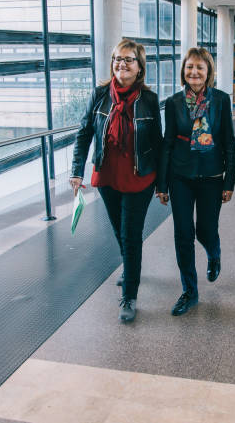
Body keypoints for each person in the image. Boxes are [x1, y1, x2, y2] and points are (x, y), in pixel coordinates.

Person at [69, 39, 163, 323]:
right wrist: (76, 170)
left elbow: (157, 142)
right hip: (108, 176)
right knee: (119, 231)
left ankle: (130, 295)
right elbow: (84, 132)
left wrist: (162, 183)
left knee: (130, 235)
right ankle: (131, 267)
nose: (121, 64)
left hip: (139, 177)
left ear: (139, 67)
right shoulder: (100, 95)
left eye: (129, 60)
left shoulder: (149, 100)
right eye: (117, 59)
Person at [157, 48, 235, 316]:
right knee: (183, 234)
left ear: (208, 72)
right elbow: (167, 143)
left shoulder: (222, 101)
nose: (194, 72)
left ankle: (214, 253)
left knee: (205, 230)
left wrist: (229, 182)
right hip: (180, 176)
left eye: (200, 68)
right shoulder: (174, 102)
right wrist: (161, 184)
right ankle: (189, 291)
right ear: (184, 70)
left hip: (212, 177)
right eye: (189, 67)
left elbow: (229, 143)